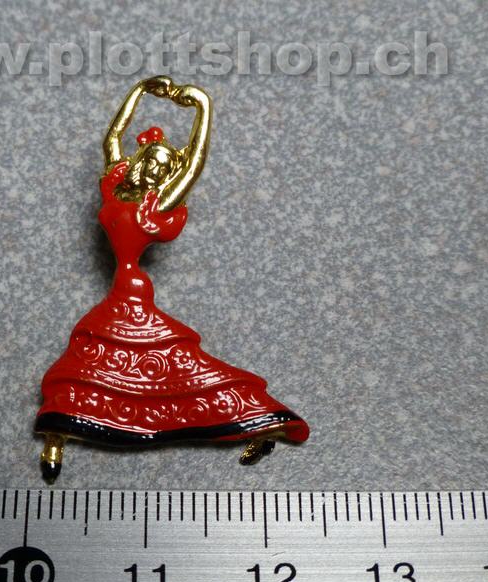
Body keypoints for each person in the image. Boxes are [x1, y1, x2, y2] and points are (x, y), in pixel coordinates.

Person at [35, 77, 308, 482]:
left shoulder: (158, 202)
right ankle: (56, 438)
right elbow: (113, 137)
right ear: (140, 158)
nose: (155, 170)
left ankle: (260, 423)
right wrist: (141, 90)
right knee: (88, 366)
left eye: (164, 168)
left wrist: (201, 105)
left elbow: (194, 162)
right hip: (121, 291)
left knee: (179, 372)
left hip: (133, 290)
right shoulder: (115, 187)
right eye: (152, 160)